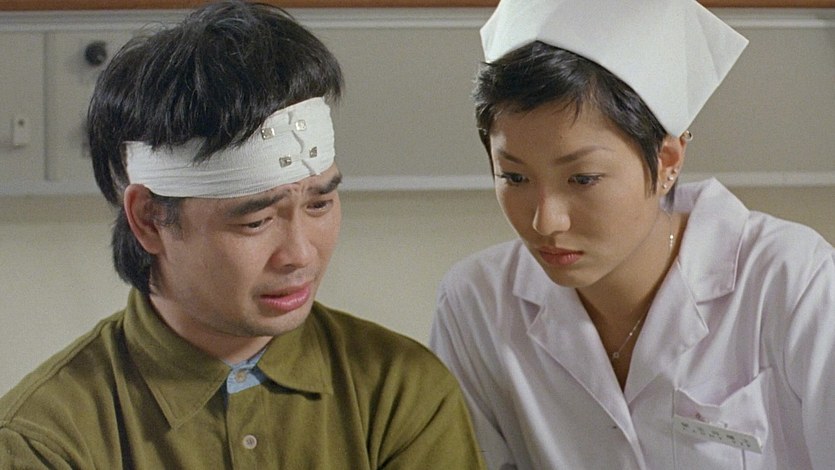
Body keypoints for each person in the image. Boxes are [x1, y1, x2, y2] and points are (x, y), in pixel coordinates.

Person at [0, 2, 485, 468]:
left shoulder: (399, 392)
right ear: (149, 220)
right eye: (256, 222)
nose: (300, 254)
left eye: (319, 204)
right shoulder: (44, 442)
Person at [429, 0, 835, 468]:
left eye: (582, 178)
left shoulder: (793, 282)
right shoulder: (475, 305)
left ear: (667, 161)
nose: (546, 222)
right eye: (514, 177)